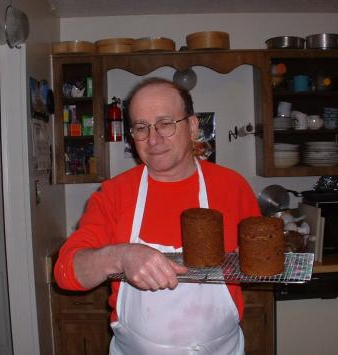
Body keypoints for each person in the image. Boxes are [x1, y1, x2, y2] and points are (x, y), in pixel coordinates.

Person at [54, 77, 261, 354]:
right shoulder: (114, 193)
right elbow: (66, 272)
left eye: (165, 123)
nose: (153, 139)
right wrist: (121, 256)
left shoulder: (233, 187)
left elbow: (255, 261)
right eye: (141, 127)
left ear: (192, 126)